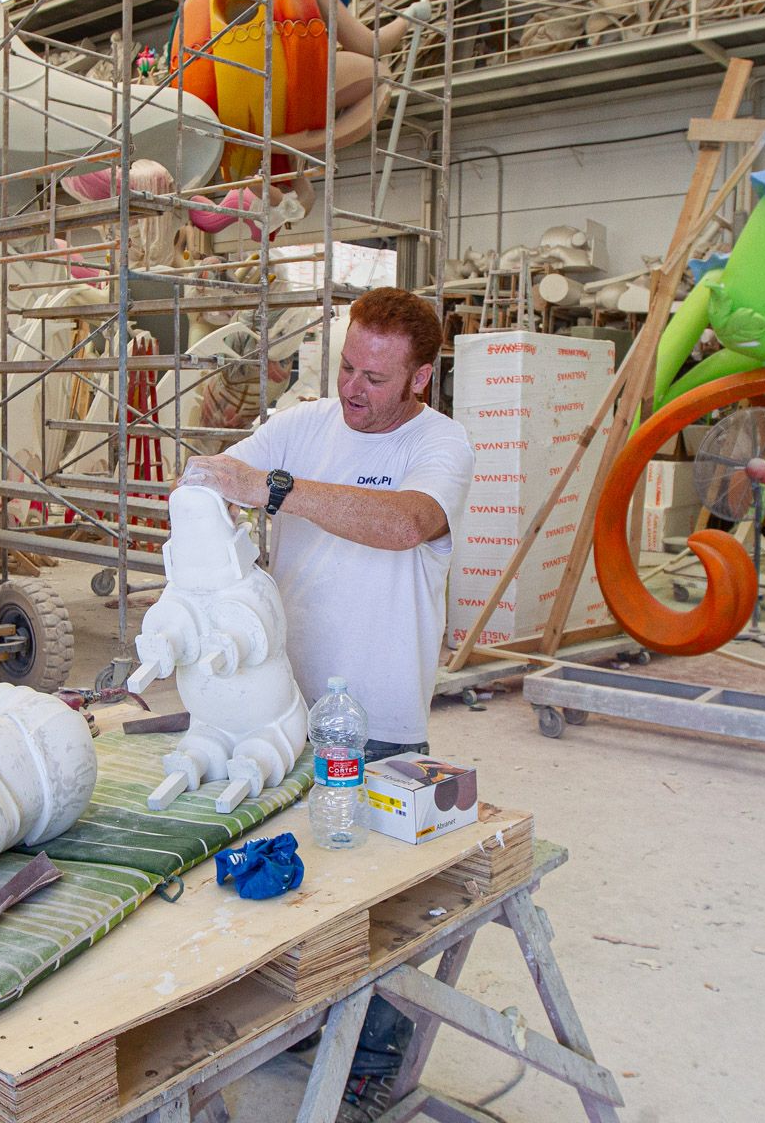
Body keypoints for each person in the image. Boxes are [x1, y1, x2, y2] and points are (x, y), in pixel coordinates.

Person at [181, 286, 473, 1120]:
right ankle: (310, 1022)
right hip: (283, 710)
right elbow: (216, 484)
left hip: (378, 720)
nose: (353, 388)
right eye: (347, 365)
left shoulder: (441, 443)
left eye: (376, 377)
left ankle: (373, 1061)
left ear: (419, 378)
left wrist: (272, 489)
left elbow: (406, 524)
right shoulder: (305, 423)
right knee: (295, 879)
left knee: (378, 903)